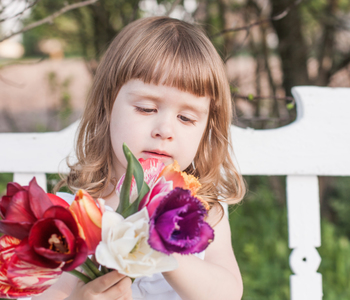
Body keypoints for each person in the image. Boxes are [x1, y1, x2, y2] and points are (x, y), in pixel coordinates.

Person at [32, 16, 245, 300]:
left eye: (186, 117)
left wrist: (161, 243)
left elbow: (227, 292)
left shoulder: (202, 212)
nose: (165, 130)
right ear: (108, 105)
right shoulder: (82, 212)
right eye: (146, 109)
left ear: (206, 128)